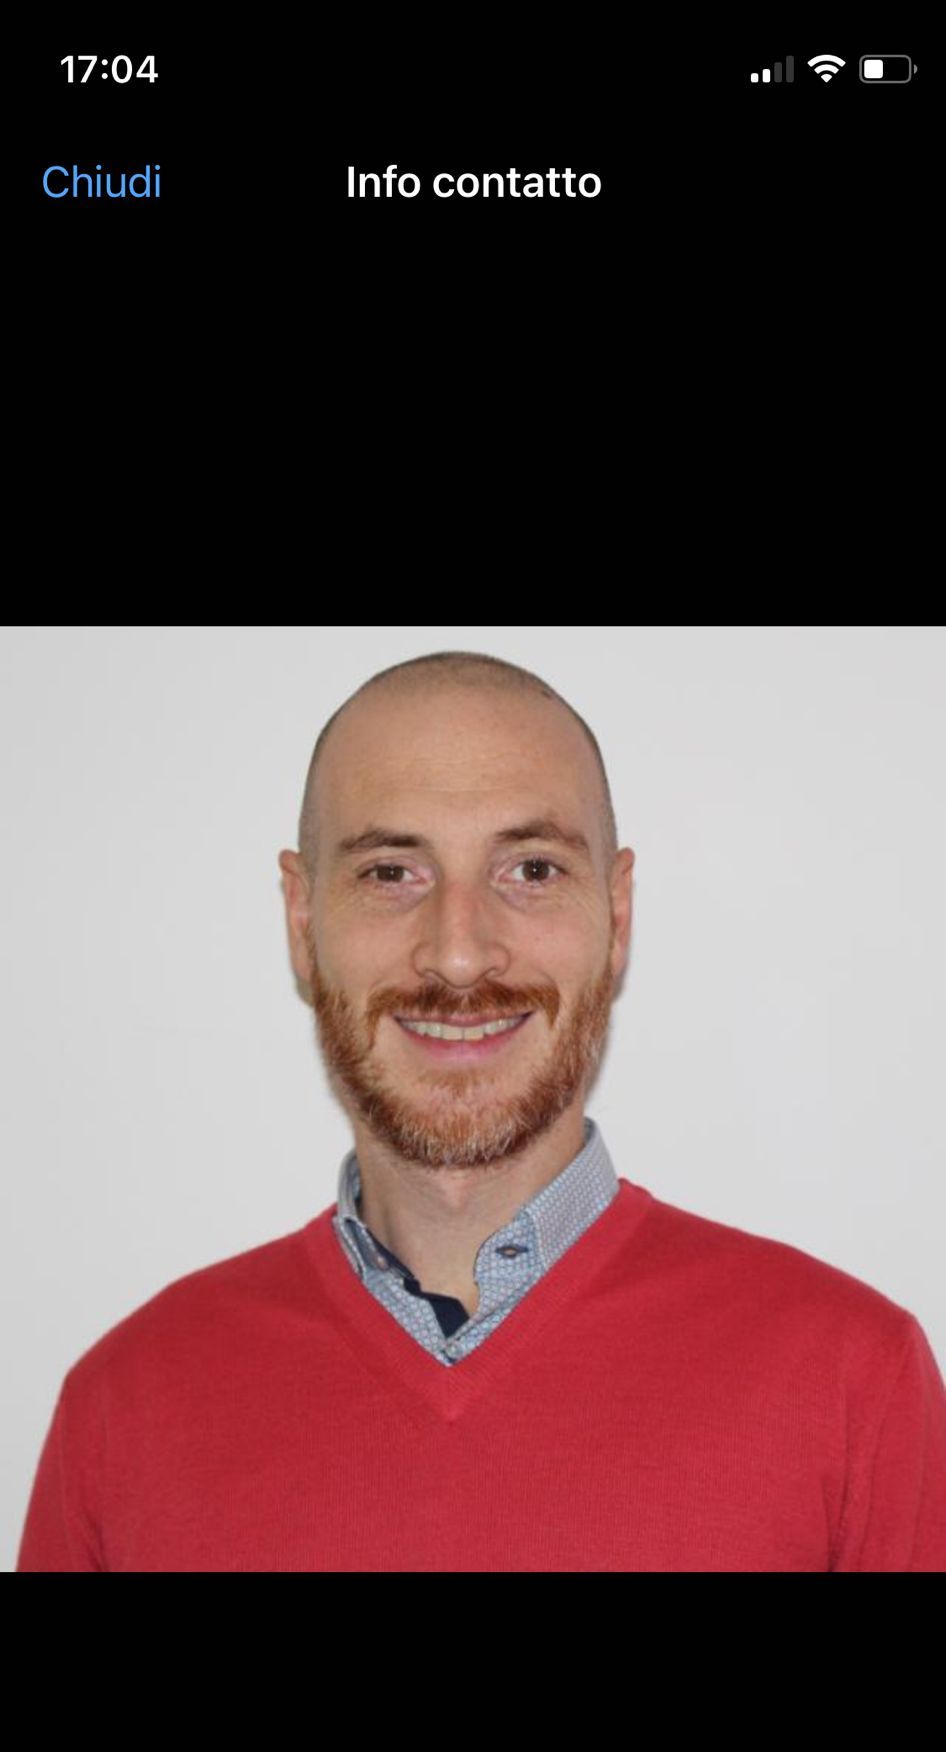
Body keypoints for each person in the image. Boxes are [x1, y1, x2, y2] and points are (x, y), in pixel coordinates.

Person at [16, 652, 946, 1570]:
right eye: (392, 873)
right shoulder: (125, 1408)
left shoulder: (852, 1385)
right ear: (302, 922)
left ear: (617, 915)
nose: (459, 956)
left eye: (531, 869)